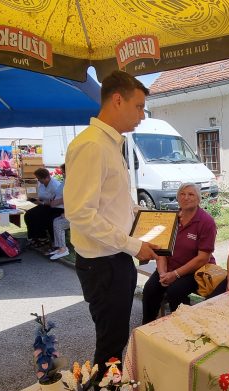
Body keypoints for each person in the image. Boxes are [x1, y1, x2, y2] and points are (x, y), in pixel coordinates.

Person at [63, 71, 158, 372]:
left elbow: (112, 200)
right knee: (111, 344)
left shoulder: (108, 144)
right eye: (138, 107)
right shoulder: (92, 145)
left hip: (114, 258)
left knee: (115, 338)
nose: (142, 115)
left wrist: (144, 216)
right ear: (117, 100)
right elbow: (80, 212)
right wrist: (133, 245)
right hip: (103, 263)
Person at [141, 183, 217, 323]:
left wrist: (175, 274)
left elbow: (202, 258)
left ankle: (183, 326)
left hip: (195, 270)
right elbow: (162, 249)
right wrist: (162, 273)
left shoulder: (206, 222)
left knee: (175, 291)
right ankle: (147, 328)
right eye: (182, 194)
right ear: (177, 198)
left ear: (198, 199)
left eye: (191, 194)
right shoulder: (171, 218)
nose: (186, 197)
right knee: (150, 290)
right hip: (169, 267)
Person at [24, 167, 64, 248]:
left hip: (56, 207)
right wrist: (35, 199)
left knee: (39, 216)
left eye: (39, 179)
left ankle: (42, 237)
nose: (38, 180)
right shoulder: (42, 184)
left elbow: (54, 202)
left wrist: (41, 202)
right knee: (28, 214)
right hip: (45, 205)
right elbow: (42, 195)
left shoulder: (55, 185)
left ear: (46, 177)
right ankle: (34, 237)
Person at [48, 164, 70, 260]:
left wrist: (67, 213)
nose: (62, 174)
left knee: (58, 223)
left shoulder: (73, 182)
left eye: (64, 172)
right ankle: (61, 247)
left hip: (78, 214)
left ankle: (63, 249)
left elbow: (71, 200)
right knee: (56, 220)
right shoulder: (67, 181)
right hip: (70, 212)